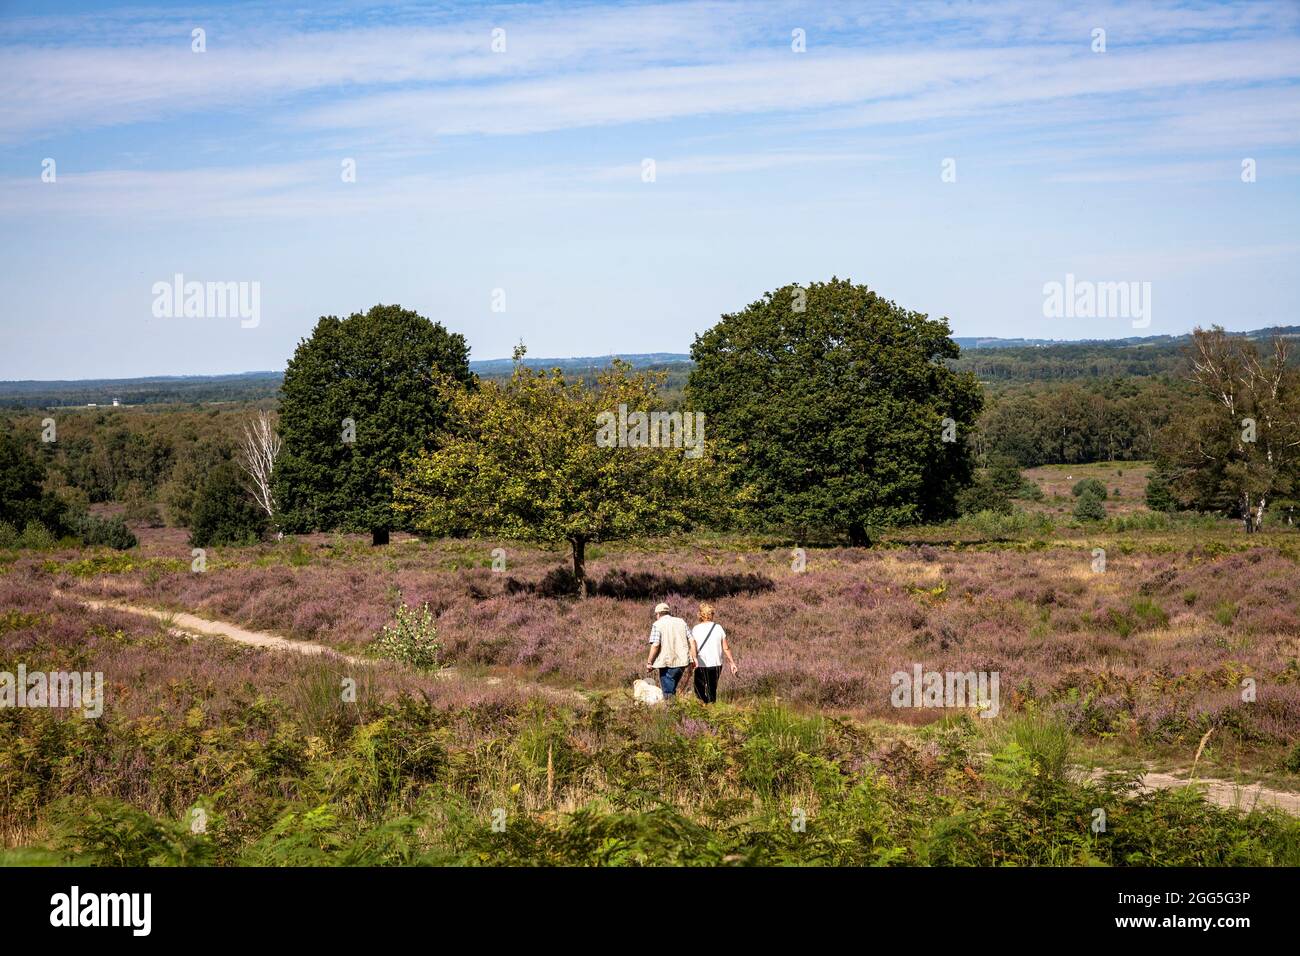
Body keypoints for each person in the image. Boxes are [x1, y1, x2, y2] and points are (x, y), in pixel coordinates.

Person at [688, 602, 737, 704]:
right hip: (716, 664)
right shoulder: (718, 628)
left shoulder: (696, 629)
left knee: (698, 690)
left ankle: (705, 708)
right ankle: (712, 709)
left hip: (701, 664)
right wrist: (732, 663)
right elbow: (726, 648)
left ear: (700, 614)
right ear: (711, 614)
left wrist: (692, 660)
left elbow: (693, 647)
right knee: (712, 689)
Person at [645, 601, 691, 698]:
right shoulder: (681, 622)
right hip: (682, 663)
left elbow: (655, 645)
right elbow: (691, 639)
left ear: (658, 614)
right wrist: (692, 658)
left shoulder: (657, 624)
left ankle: (672, 712)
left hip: (667, 664)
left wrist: (650, 662)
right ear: (668, 612)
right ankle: (677, 710)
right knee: (672, 690)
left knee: (668, 693)